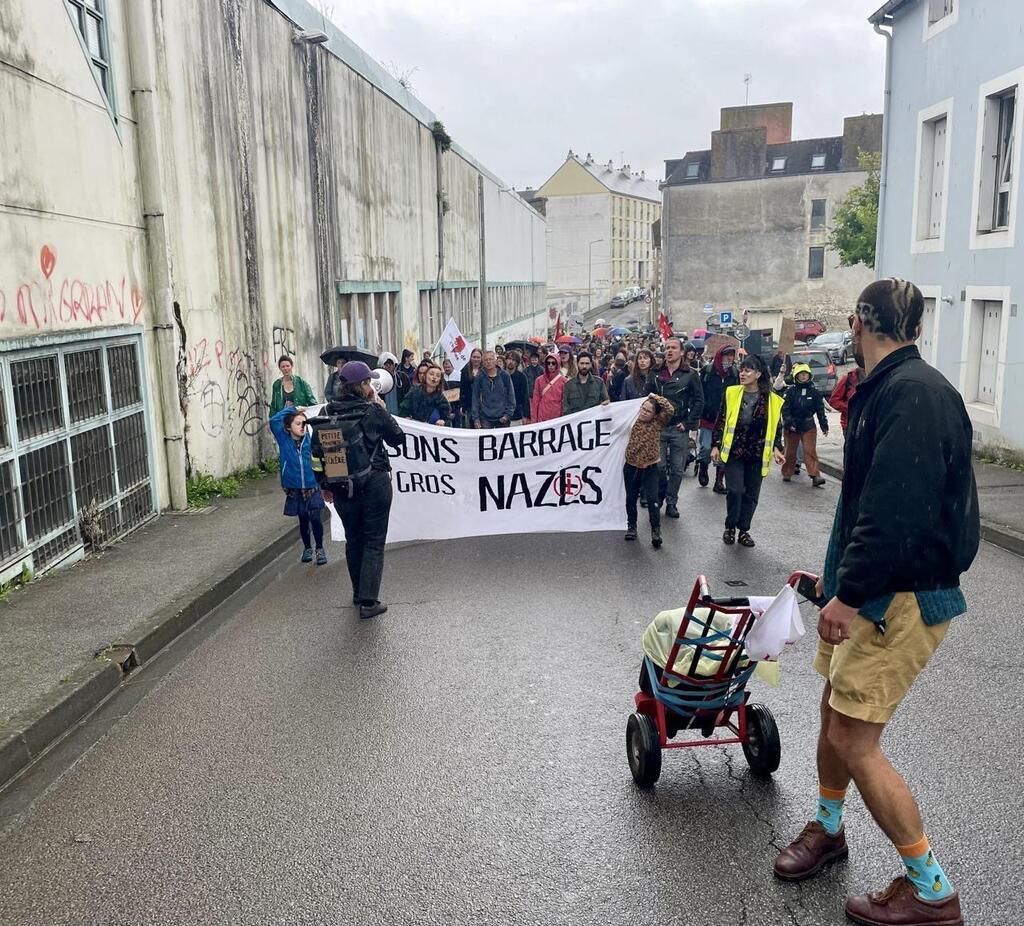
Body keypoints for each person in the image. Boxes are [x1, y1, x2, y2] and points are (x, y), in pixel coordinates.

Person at [773, 278, 980, 926]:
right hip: (874, 589)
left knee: (855, 739)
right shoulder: (895, 389)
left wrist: (853, 594)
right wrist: (836, 582)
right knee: (834, 708)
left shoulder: (911, 396)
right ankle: (829, 829)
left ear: (861, 324)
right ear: (915, 327)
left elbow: (895, 513)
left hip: (901, 595)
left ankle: (930, 888)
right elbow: (867, 506)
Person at [313, 361, 405, 620]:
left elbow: (316, 455)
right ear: (363, 385)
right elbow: (397, 438)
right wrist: (383, 410)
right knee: (374, 541)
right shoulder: (372, 410)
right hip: (374, 483)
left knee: (354, 539)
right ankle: (369, 601)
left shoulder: (325, 412)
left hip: (342, 486)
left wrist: (324, 486)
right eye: (368, 382)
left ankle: (357, 593)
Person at [710, 354, 784, 547]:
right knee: (735, 490)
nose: (742, 373)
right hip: (735, 451)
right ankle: (730, 527)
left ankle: (744, 530)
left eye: (747, 370)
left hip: (758, 453)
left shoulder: (772, 399)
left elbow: (776, 426)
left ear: (758, 373)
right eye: (741, 369)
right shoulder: (732, 393)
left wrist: (777, 448)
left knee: (751, 494)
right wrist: (716, 445)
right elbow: (721, 419)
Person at [269, 406, 327, 566]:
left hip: (312, 485)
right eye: (298, 423)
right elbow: (273, 420)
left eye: (304, 423)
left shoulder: (310, 439)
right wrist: (293, 409)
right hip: (294, 487)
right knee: (303, 518)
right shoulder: (283, 439)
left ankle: (320, 548)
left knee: (315, 517)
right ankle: (307, 547)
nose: (302, 426)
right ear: (288, 427)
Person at [656, 337, 704, 519]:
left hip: (679, 427)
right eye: (667, 348)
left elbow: (699, 401)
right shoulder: (656, 373)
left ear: (682, 352)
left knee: (677, 468)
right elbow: (647, 397)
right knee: (659, 467)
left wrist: (689, 423)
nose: (669, 351)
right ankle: (661, 494)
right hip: (659, 427)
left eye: (674, 348)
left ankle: (671, 502)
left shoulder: (690, 374)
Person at [623, 393, 674, 548]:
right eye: (643, 409)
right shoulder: (632, 420)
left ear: (655, 414)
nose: (644, 412)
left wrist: (655, 397)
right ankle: (631, 526)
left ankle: (656, 530)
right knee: (631, 498)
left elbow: (670, 409)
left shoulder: (658, 423)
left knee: (653, 500)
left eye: (648, 411)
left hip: (650, 466)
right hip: (632, 465)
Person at [780, 363, 828, 487]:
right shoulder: (790, 391)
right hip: (793, 425)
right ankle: (787, 472)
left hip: (808, 425)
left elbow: (820, 409)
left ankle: (815, 475)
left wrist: (824, 425)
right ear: (796, 376)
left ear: (809, 376)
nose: (803, 377)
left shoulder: (815, 392)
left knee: (810, 451)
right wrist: (789, 423)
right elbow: (785, 408)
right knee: (790, 451)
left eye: (805, 374)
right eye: (800, 375)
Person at [698, 344, 738, 492]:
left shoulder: (735, 374)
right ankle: (703, 466)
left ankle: (719, 481)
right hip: (708, 419)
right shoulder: (707, 371)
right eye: (727, 355)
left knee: (723, 451)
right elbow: (699, 393)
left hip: (726, 420)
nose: (729, 358)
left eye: (732, 355)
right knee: (706, 448)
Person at [472, 350, 516, 428]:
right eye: (486, 360)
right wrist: (476, 418)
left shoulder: (505, 375)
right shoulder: (479, 377)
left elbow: (511, 396)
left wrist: (507, 415)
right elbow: (475, 398)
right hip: (485, 418)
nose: (488, 362)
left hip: (502, 417)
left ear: (495, 361)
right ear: (483, 362)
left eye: (491, 359)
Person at [829, 363, 863, 437]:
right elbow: (834, 400)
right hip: (850, 425)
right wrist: (849, 407)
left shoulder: (878, 377)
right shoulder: (849, 378)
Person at [531, 353, 566, 423]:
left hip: (557, 418)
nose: (550, 365)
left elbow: (565, 403)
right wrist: (534, 420)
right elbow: (535, 401)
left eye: (553, 363)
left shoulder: (563, 381)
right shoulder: (539, 380)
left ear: (558, 364)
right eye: (548, 363)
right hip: (542, 417)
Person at [378, 352, 408, 416]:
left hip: (401, 416)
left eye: (391, 363)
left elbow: (408, 397)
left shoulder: (402, 378)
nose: (388, 366)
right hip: (384, 416)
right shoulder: (377, 380)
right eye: (386, 364)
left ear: (395, 365)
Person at [504, 351, 530, 425]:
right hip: (502, 415)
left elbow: (525, 397)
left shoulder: (522, 377)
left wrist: (525, 415)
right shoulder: (500, 375)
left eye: (513, 360)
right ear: (505, 360)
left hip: (517, 415)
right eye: (509, 359)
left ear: (517, 362)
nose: (511, 362)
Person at [459, 348, 483, 428]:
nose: (476, 359)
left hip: (483, 404)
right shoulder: (465, 371)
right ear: (471, 357)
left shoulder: (485, 370)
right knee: (470, 427)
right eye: (474, 357)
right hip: (469, 404)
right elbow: (462, 389)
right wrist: (462, 405)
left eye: (478, 357)